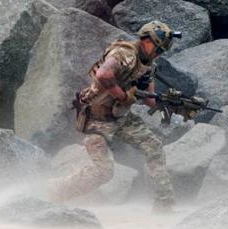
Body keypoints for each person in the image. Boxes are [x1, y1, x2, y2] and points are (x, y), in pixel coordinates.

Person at [53, 20, 181, 213]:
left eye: (161, 51)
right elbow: (104, 75)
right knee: (104, 172)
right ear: (146, 39)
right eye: (157, 48)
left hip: (120, 118)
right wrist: (123, 96)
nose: (158, 53)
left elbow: (149, 101)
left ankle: (165, 204)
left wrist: (171, 102)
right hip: (97, 118)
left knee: (154, 148)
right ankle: (54, 193)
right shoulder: (124, 53)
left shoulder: (148, 64)